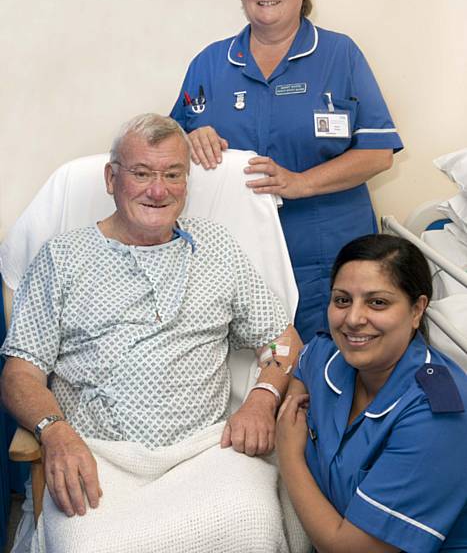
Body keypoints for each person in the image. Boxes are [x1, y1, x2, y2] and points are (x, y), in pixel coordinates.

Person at [0, 113, 302, 552]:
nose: (158, 191)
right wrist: (56, 433)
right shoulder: (62, 258)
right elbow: (20, 374)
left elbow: (281, 338)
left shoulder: (216, 246)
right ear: (111, 178)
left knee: (254, 524)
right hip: (96, 454)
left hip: (207, 451)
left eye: (172, 174)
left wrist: (263, 397)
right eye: (141, 173)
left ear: (187, 180)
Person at [171, 0, 403, 343]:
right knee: (254, 378)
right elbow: (165, 155)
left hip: (327, 256)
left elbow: (377, 153)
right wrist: (189, 140)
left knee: (327, 374)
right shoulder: (209, 64)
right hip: (235, 261)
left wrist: (300, 183)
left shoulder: (339, 55)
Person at [276, 234, 467, 553]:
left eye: (377, 302)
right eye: (342, 300)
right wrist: (293, 406)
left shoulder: (438, 418)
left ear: (417, 309)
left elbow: (349, 549)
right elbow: (303, 365)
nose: (352, 319)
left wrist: (290, 453)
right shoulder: (331, 355)